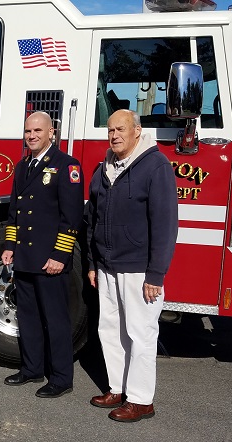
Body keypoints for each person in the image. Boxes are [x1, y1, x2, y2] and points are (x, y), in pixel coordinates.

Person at [86, 109, 178, 422]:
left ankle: (141, 400)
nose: (114, 136)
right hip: (107, 267)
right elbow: (92, 220)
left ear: (137, 131)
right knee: (109, 329)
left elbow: (165, 224)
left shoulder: (156, 166)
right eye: (110, 130)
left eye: (121, 129)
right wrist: (92, 262)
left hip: (139, 269)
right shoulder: (104, 168)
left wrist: (156, 273)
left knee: (140, 333)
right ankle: (117, 388)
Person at [1, 111, 84, 398]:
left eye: (38, 130)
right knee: (28, 317)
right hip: (24, 258)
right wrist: (10, 246)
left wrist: (60, 255)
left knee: (56, 320)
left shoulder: (67, 165)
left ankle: (61, 378)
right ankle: (32, 368)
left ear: (52, 132)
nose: (32, 135)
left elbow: (71, 217)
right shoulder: (23, 166)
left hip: (50, 259)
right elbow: (14, 213)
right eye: (27, 131)